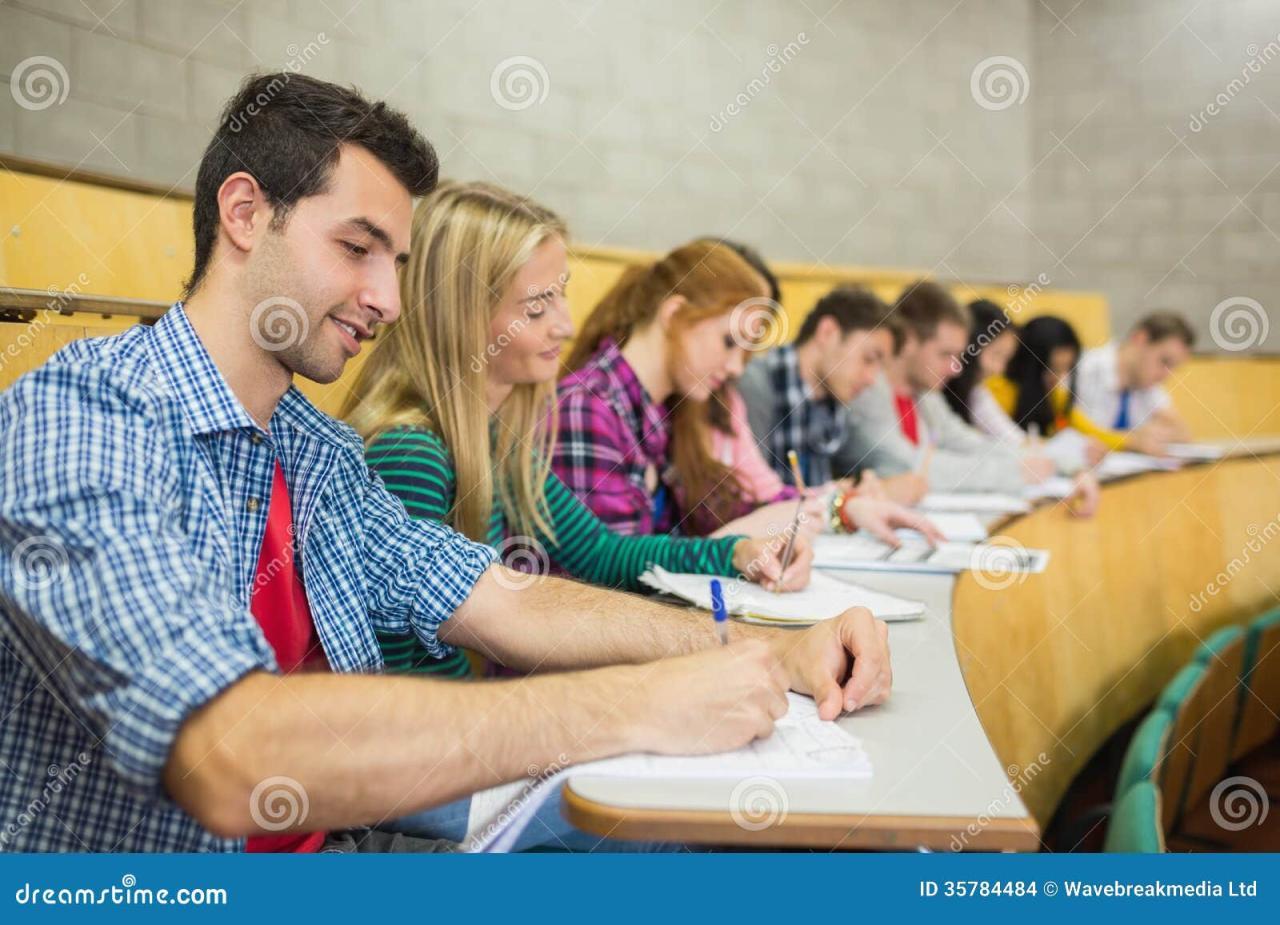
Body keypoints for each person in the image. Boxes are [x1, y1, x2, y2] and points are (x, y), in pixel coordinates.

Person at [0, 74, 892, 853]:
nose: (387, 298)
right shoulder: (79, 421)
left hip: (346, 846)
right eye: (356, 249)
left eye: (397, 262)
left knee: (780, 850)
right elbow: (227, 752)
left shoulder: (317, 452)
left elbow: (506, 600)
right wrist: (634, 705)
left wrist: (773, 650)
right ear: (243, 214)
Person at [343, 181, 811, 684]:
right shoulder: (411, 452)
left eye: (561, 296)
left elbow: (603, 553)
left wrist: (734, 552)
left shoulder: (495, 438)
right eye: (538, 306)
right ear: (463, 315)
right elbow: (409, 672)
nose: (565, 325)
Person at [555, 241, 930, 548]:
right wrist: (737, 544)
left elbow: (745, 502)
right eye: (728, 341)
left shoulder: (671, 405)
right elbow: (611, 576)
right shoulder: (588, 406)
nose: (737, 367)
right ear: (674, 314)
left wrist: (845, 509)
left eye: (745, 351)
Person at [738, 285, 939, 521]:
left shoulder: (833, 405)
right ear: (827, 332)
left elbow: (893, 464)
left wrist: (873, 489)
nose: (871, 379)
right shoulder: (756, 387)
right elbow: (753, 500)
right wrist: (844, 502)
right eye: (868, 359)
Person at [834, 281, 1054, 493]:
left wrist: (1041, 459)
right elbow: (912, 466)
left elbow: (970, 443)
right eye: (945, 354)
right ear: (909, 340)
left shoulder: (924, 393)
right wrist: (1013, 473)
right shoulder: (867, 387)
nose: (956, 368)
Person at [1073, 311, 1195, 451]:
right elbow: (1067, 434)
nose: (1166, 375)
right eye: (1164, 361)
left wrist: (1160, 435)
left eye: (1173, 367)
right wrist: (1134, 440)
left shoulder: (1148, 385)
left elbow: (1184, 434)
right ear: (1140, 339)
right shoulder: (1084, 369)